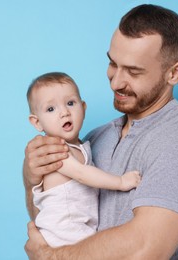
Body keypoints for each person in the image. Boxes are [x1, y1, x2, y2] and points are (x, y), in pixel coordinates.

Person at [23, 4, 178, 260]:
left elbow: (146, 250)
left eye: (133, 71)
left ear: (174, 73)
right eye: (113, 63)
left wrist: (51, 257)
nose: (116, 82)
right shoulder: (95, 138)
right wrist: (31, 180)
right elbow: (57, 217)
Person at [26, 72, 141, 247]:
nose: (64, 112)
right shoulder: (55, 150)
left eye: (70, 103)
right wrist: (121, 182)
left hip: (78, 227)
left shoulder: (82, 144)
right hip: (63, 232)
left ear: (83, 108)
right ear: (37, 123)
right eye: (51, 109)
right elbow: (81, 173)